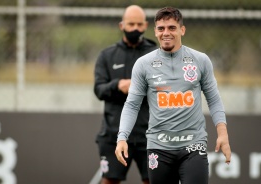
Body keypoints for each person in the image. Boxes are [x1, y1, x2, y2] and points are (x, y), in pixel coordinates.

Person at [115, 6, 231, 184]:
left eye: (172, 28)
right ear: (155, 31)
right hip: (158, 147)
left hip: (193, 145)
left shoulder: (200, 60)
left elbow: (214, 99)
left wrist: (222, 134)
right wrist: (122, 137)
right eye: (161, 29)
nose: (166, 33)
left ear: (182, 30)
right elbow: (132, 104)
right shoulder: (143, 64)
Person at [93, 5, 157, 184]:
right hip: (114, 134)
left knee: (153, 180)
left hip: (150, 135)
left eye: (139, 24)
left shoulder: (156, 54)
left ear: (145, 26)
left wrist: (143, 86)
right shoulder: (107, 56)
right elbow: (99, 89)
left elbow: (165, 89)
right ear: (122, 25)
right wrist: (117, 86)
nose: (135, 28)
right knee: (109, 180)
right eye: (131, 24)